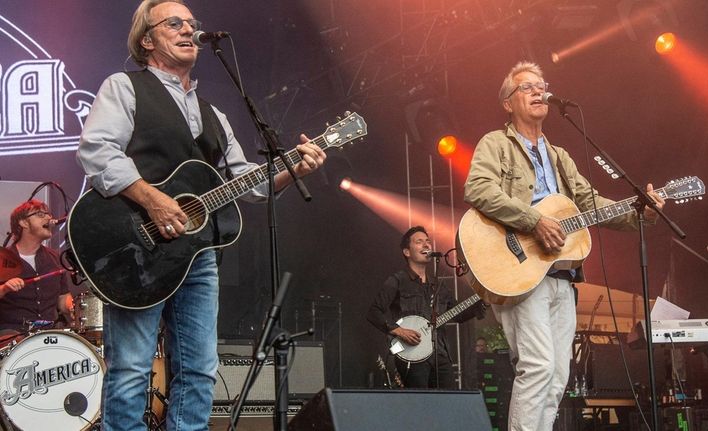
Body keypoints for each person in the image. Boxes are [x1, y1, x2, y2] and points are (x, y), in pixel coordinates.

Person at [75, 1, 326, 429]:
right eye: (175, 23)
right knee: (132, 368)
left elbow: (251, 181)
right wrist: (152, 199)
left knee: (200, 369)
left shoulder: (215, 114)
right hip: (133, 247)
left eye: (193, 24)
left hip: (197, 256)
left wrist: (292, 170)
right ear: (148, 38)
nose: (189, 29)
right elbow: (97, 151)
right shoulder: (125, 86)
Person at [463, 61, 664, 431]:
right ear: (508, 102)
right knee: (537, 367)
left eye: (542, 86)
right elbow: (477, 189)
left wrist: (641, 212)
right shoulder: (496, 144)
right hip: (519, 269)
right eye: (527, 87)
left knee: (557, 377)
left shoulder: (560, 157)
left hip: (560, 275)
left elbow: (593, 203)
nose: (539, 92)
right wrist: (534, 221)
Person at [366, 226, 485, 389]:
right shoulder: (397, 281)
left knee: (447, 402)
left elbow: (458, 314)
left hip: (440, 354)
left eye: (428, 241)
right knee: (419, 403)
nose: (426, 245)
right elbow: (374, 312)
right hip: (412, 355)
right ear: (407, 252)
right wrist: (399, 331)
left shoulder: (439, 285)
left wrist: (483, 300)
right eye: (419, 242)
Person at [0, 200, 74, 337]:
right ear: (23, 222)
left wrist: (72, 308)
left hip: (48, 336)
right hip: (11, 337)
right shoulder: (2, 259)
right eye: (40, 214)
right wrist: (4, 288)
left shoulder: (55, 258)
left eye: (48, 214)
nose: (48, 217)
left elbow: (63, 298)